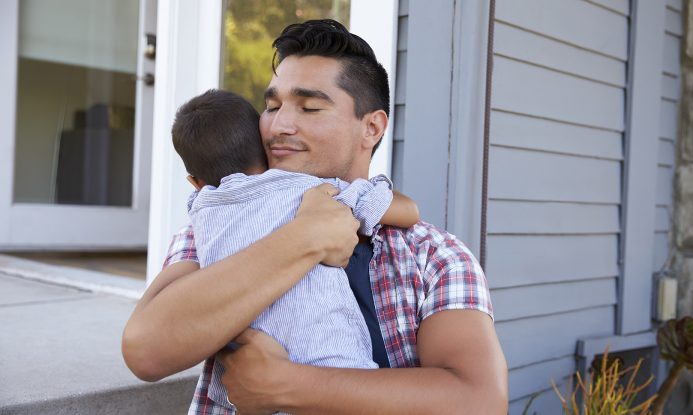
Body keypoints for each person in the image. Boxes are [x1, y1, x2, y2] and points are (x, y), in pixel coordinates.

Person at [122, 19, 508, 414]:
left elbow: (479, 401)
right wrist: (305, 238)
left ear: (371, 127)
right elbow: (147, 351)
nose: (278, 126)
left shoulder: (433, 256)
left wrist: (288, 385)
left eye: (309, 107)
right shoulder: (217, 223)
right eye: (272, 106)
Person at [171, 88, 419, 411]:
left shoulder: (200, 215)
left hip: (246, 383)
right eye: (272, 107)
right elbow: (406, 211)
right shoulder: (304, 190)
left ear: (195, 182)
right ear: (265, 150)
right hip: (333, 367)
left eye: (310, 108)